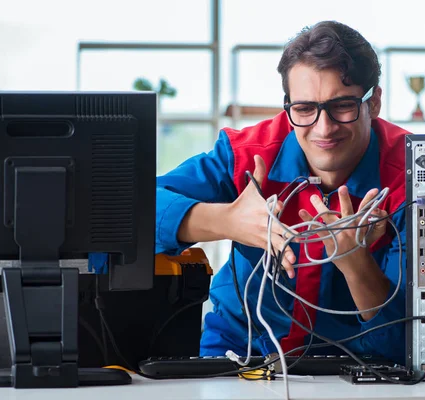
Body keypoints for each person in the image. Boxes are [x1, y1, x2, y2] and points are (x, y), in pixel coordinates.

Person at [155, 20, 409, 364]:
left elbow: (406, 343)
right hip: (238, 355)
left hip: (361, 367)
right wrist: (228, 221)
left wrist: (355, 265)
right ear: (288, 107)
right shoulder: (247, 153)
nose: (324, 128)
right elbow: (137, 208)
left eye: (342, 106)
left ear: (373, 102)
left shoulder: (415, 174)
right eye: (305, 109)